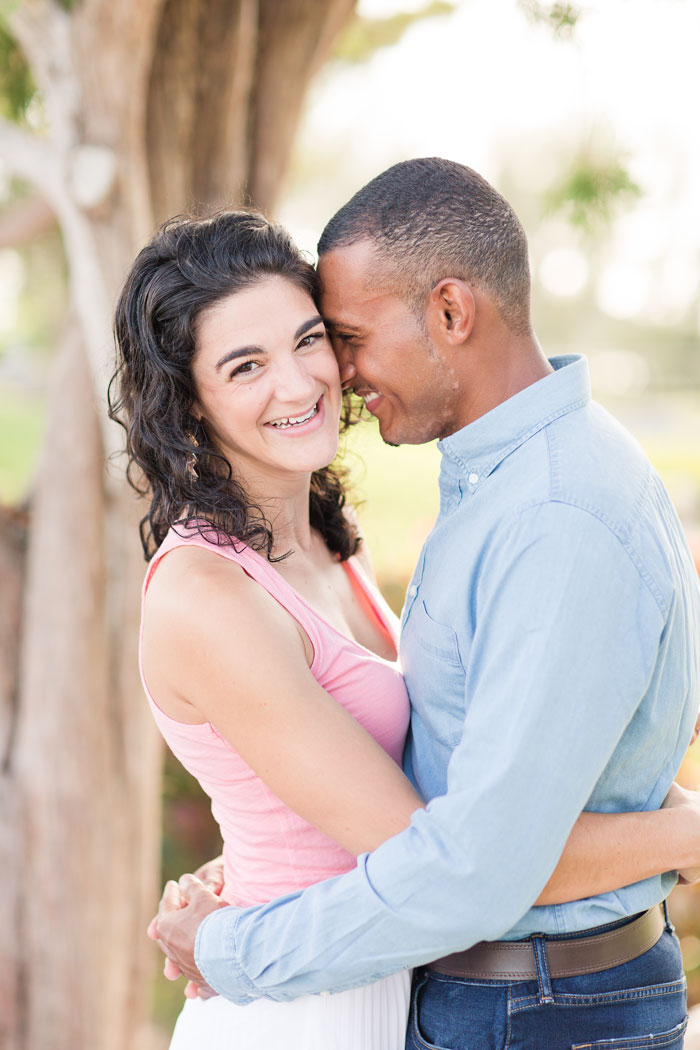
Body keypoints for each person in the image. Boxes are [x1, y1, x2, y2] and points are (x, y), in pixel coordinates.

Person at [149, 162, 700, 1050]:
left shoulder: (530, 512)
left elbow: (473, 855)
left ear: (451, 312)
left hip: (491, 992)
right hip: (354, 1001)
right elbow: (460, 817)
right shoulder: (505, 490)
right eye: (245, 364)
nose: (325, 377)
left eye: (327, 339)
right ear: (191, 402)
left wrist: (230, 942)